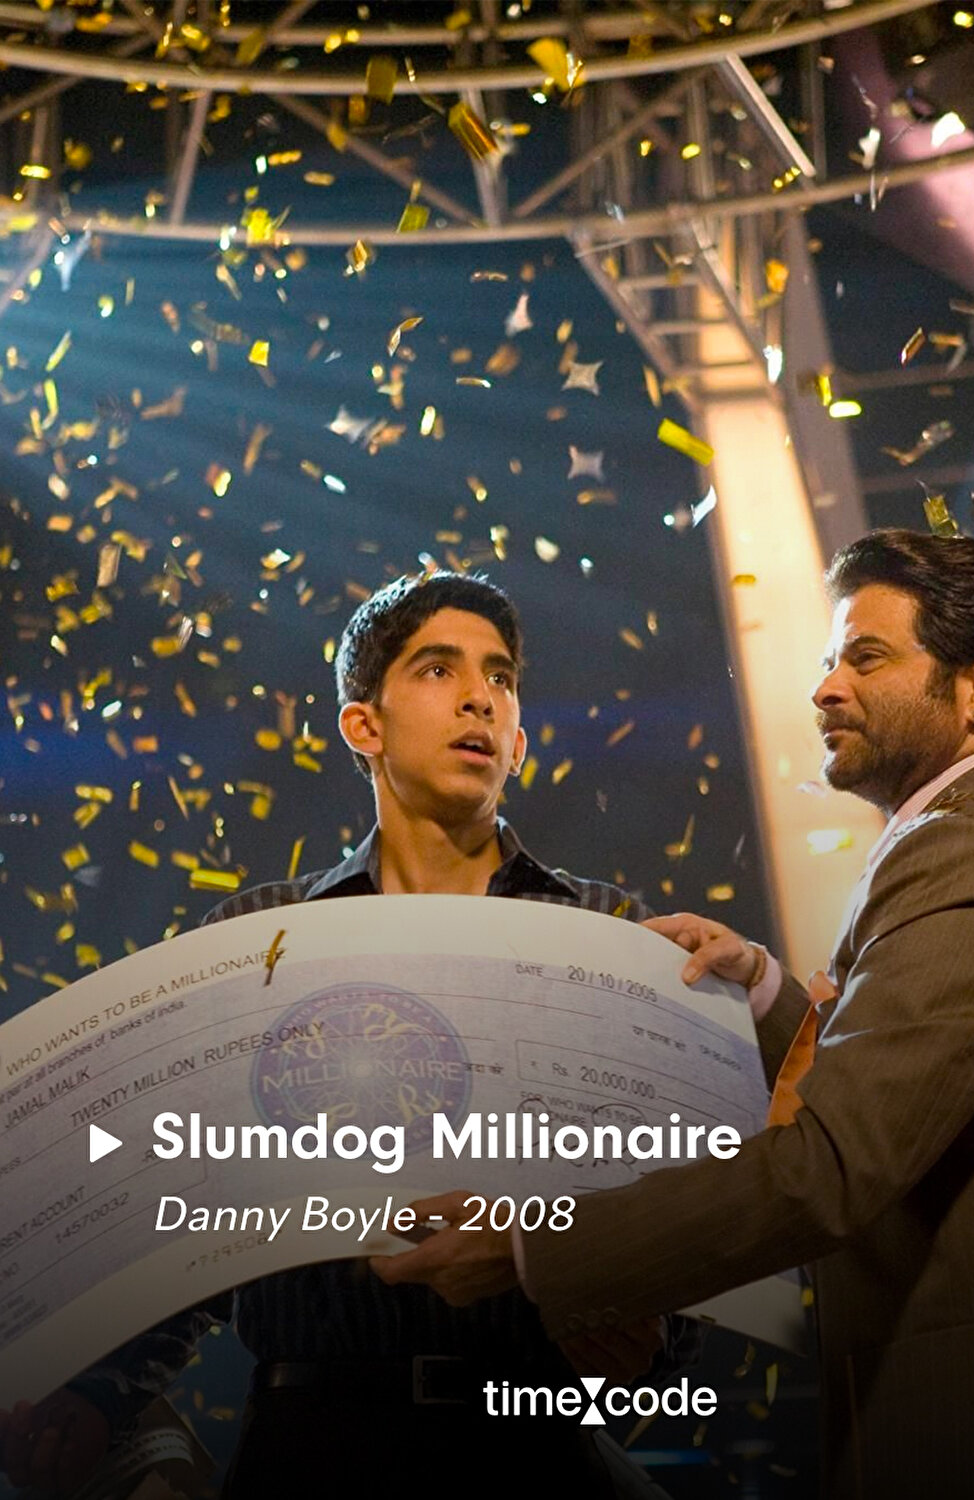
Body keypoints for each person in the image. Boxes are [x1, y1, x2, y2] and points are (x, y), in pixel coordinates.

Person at [379, 530, 974, 1499]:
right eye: (828, 660)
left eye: (867, 658)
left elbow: (832, 1167)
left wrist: (531, 1245)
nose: (825, 689)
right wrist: (765, 990)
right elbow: (907, 1075)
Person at [0, 571, 712, 1499]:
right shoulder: (255, 940)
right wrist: (100, 1391)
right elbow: (184, 1209)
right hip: (309, 1441)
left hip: (536, 1441)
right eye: (438, 669)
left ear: (519, 742)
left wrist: (653, 1333)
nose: (479, 696)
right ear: (362, 725)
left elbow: (693, 1204)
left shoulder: (613, 934)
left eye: (500, 677)